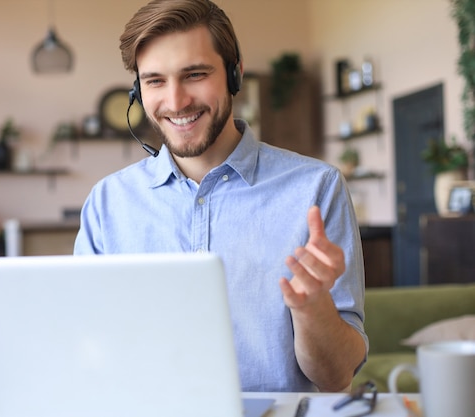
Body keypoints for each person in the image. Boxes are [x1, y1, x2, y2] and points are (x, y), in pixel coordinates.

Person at [74, 0, 368, 392]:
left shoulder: (315, 189)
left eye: (194, 74)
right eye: (155, 81)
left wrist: (311, 307)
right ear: (137, 90)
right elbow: (85, 348)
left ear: (235, 74)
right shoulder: (108, 202)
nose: (176, 102)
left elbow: (336, 378)